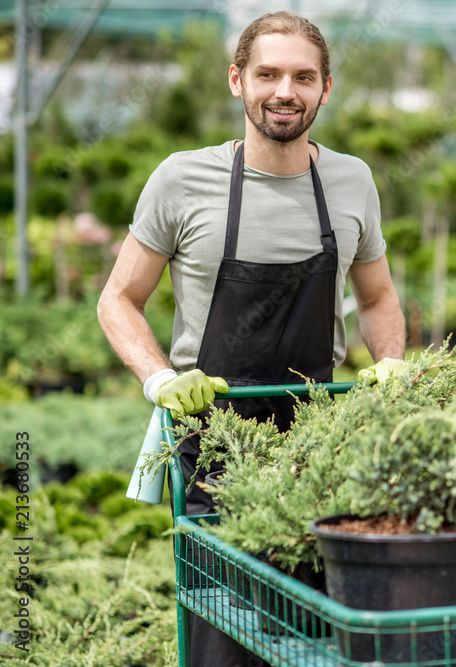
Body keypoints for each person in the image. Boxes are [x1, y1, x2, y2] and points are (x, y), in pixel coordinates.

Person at [97, 12, 405, 666]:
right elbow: (118, 300)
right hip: (213, 442)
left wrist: (392, 363)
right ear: (238, 80)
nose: (284, 90)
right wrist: (159, 379)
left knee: (315, 631)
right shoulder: (181, 179)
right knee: (224, 637)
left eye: (303, 76)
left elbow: (377, 297)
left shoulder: (352, 182)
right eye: (267, 73)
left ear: (327, 88)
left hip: (321, 445)